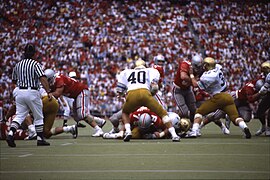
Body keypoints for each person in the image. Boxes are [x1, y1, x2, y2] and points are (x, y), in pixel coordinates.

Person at [116, 59, 180, 142]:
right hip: (145, 93)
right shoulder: (151, 71)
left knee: (125, 112)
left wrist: (122, 95)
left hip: (132, 94)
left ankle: (128, 131)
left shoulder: (126, 72)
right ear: (145, 66)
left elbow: (120, 91)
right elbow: (155, 87)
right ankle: (174, 135)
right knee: (163, 114)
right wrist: (151, 94)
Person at [187, 57, 251, 138]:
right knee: (235, 118)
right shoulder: (217, 67)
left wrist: (191, 75)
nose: (203, 66)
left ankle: (194, 131)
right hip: (228, 96)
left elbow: (196, 84)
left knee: (199, 112)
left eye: (204, 65)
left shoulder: (207, 76)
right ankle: (245, 128)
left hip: (218, 97)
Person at [6, 43, 52, 147]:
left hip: (19, 91)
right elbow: (42, 78)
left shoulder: (18, 65)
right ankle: (40, 139)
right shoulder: (35, 64)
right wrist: (48, 91)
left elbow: (14, 79)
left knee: (20, 115)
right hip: (32, 91)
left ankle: (10, 133)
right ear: (34, 54)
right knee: (38, 116)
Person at [44, 69, 104, 137]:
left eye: (47, 80)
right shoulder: (54, 82)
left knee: (82, 114)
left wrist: (46, 94)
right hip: (76, 95)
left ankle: (98, 130)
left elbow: (57, 93)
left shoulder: (59, 80)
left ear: (51, 78)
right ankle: (99, 121)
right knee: (77, 117)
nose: (46, 82)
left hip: (81, 91)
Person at [173, 54, 202, 124]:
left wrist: (191, 77)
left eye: (199, 66)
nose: (198, 68)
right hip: (178, 90)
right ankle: (175, 122)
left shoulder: (198, 70)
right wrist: (192, 79)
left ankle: (192, 127)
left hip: (188, 89)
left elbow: (195, 84)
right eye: (196, 66)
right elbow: (183, 76)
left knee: (194, 110)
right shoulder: (185, 64)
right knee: (184, 111)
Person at [255, 61, 270, 136]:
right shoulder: (264, 76)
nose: (265, 71)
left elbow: (264, 88)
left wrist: (261, 92)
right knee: (259, 112)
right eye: (263, 69)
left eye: (266, 69)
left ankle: (268, 129)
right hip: (268, 95)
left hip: (267, 92)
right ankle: (264, 126)